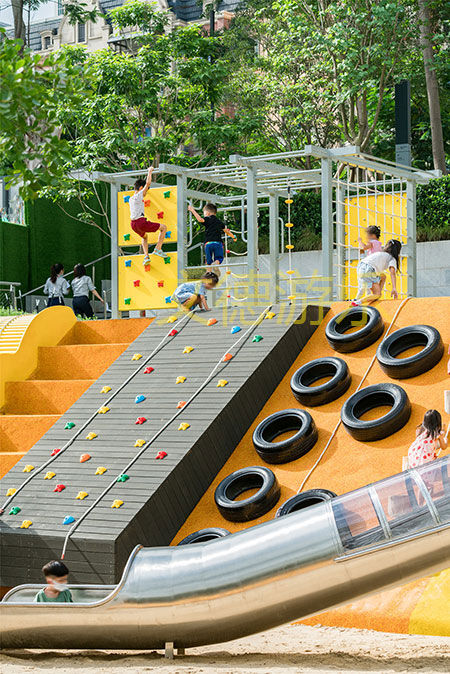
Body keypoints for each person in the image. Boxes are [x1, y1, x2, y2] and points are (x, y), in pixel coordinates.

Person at [129, 166, 168, 265]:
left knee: (145, 237)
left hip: (133, 225)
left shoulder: (131, 198)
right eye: (145, 191)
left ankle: (146, 256)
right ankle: (158, 248)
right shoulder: (139, 195)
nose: (145, 194)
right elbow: (148, 183)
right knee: (163, 228)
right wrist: (149, 172)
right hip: (140, 222)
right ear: (141, 188)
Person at [188, 203, 236, 275]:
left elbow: (200, 219)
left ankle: (208, 273)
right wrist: (233, 237)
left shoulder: (207, 219)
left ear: (207, 213)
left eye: (204, 213)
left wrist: (192, 210)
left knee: (208, 261)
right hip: (218, 243)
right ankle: (216, 264)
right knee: (219, 258)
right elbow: (227, 231)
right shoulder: (219, 222)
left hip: (208, 243)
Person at [351, 239, 401, 306]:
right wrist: (394, 288)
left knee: (383, 276)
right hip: (369, 270)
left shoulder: (380, 253)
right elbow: (392, 272)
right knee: (377, 294)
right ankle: (358, 302)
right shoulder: (392, 258)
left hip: (361, 267)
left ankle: (376, 295)